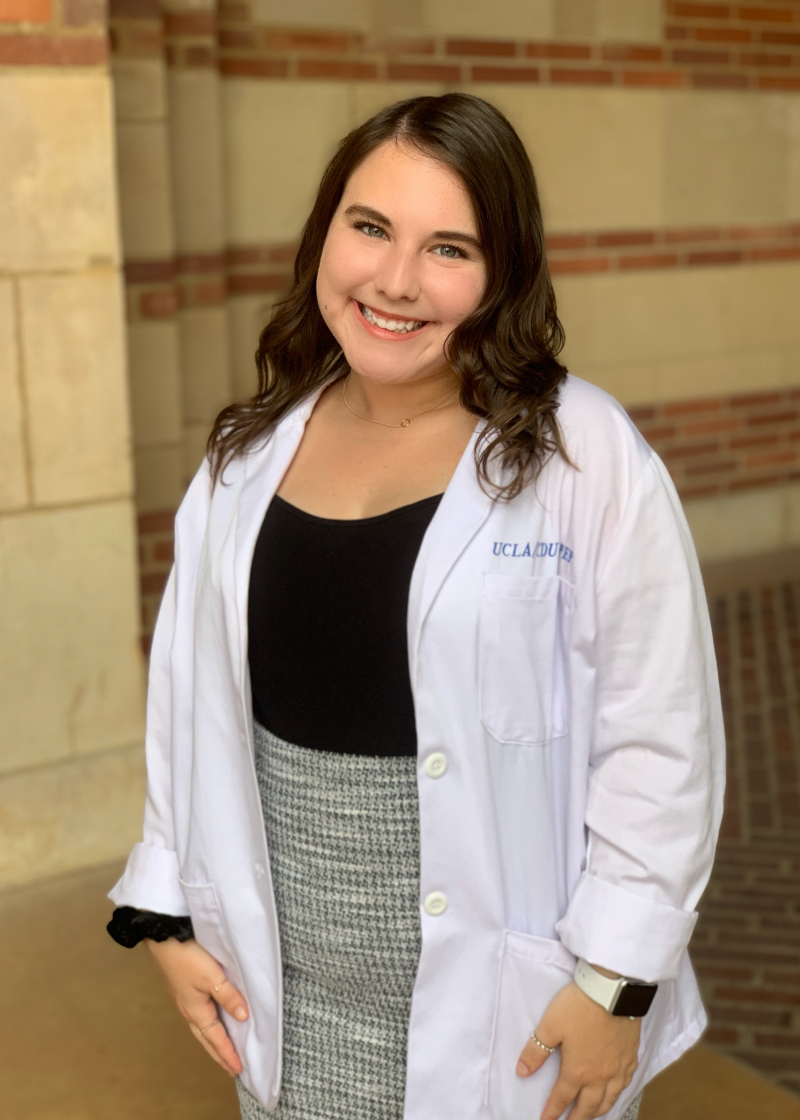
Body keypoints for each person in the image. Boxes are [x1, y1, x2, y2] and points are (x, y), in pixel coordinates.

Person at [107, 93, 725, 1120]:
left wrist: (615, 981)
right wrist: (165, 915)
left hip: (505, 1019)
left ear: (502, 272)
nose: (396, 281)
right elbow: (185, 706)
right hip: (282, 999)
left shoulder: (582, 453)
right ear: (325, 234)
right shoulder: (244, 455)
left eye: (448, 248)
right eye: (370, 227)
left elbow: (661, 737)